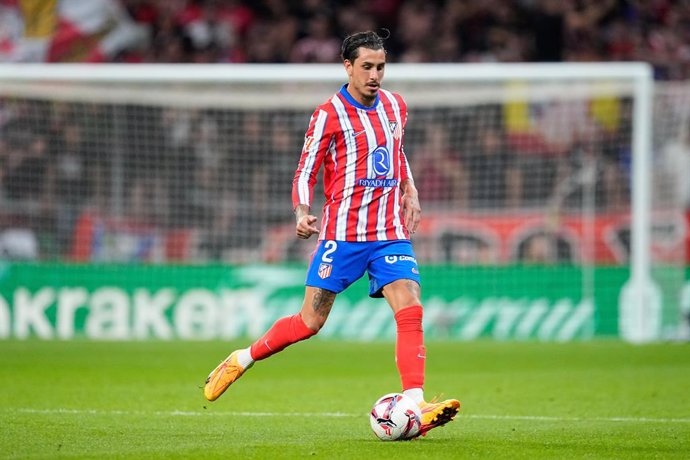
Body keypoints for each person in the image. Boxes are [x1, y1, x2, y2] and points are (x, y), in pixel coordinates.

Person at [203, 30, 460, 437]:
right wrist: (303, 211)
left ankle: (415, 401)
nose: (375, 75)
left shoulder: (396, 105)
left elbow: (396, 150)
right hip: (342, 235)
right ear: (348, 66)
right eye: (367, 67)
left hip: (389, 231)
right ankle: (242, 358)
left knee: (409, 305)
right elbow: (306, 169)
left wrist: (410, 187)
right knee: (309, 322)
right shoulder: (328, 114)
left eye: (380, 67)